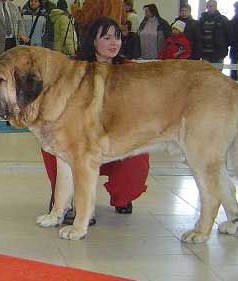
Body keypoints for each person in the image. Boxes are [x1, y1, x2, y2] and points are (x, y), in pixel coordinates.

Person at [41, 17, 149, 223]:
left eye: (117, 37)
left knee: (138, 160)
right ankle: (65, 199)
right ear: (92, 40)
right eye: (107, 37)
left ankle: (122, 196)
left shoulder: (131, 69)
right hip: (80, 140)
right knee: (53, 146)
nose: (114, 43)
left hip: (118, 139)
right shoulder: (73, 68)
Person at [199, 0, 230, 67]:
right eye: (208, 6)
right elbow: (199, 34)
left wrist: (224, 46)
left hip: (218, 52)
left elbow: (229, 35)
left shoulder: (223, 19)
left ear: (215, 7)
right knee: (205, 73)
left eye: (211, 6)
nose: (210, 8)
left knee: (217, 74)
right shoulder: (202, 19)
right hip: (205, 52)